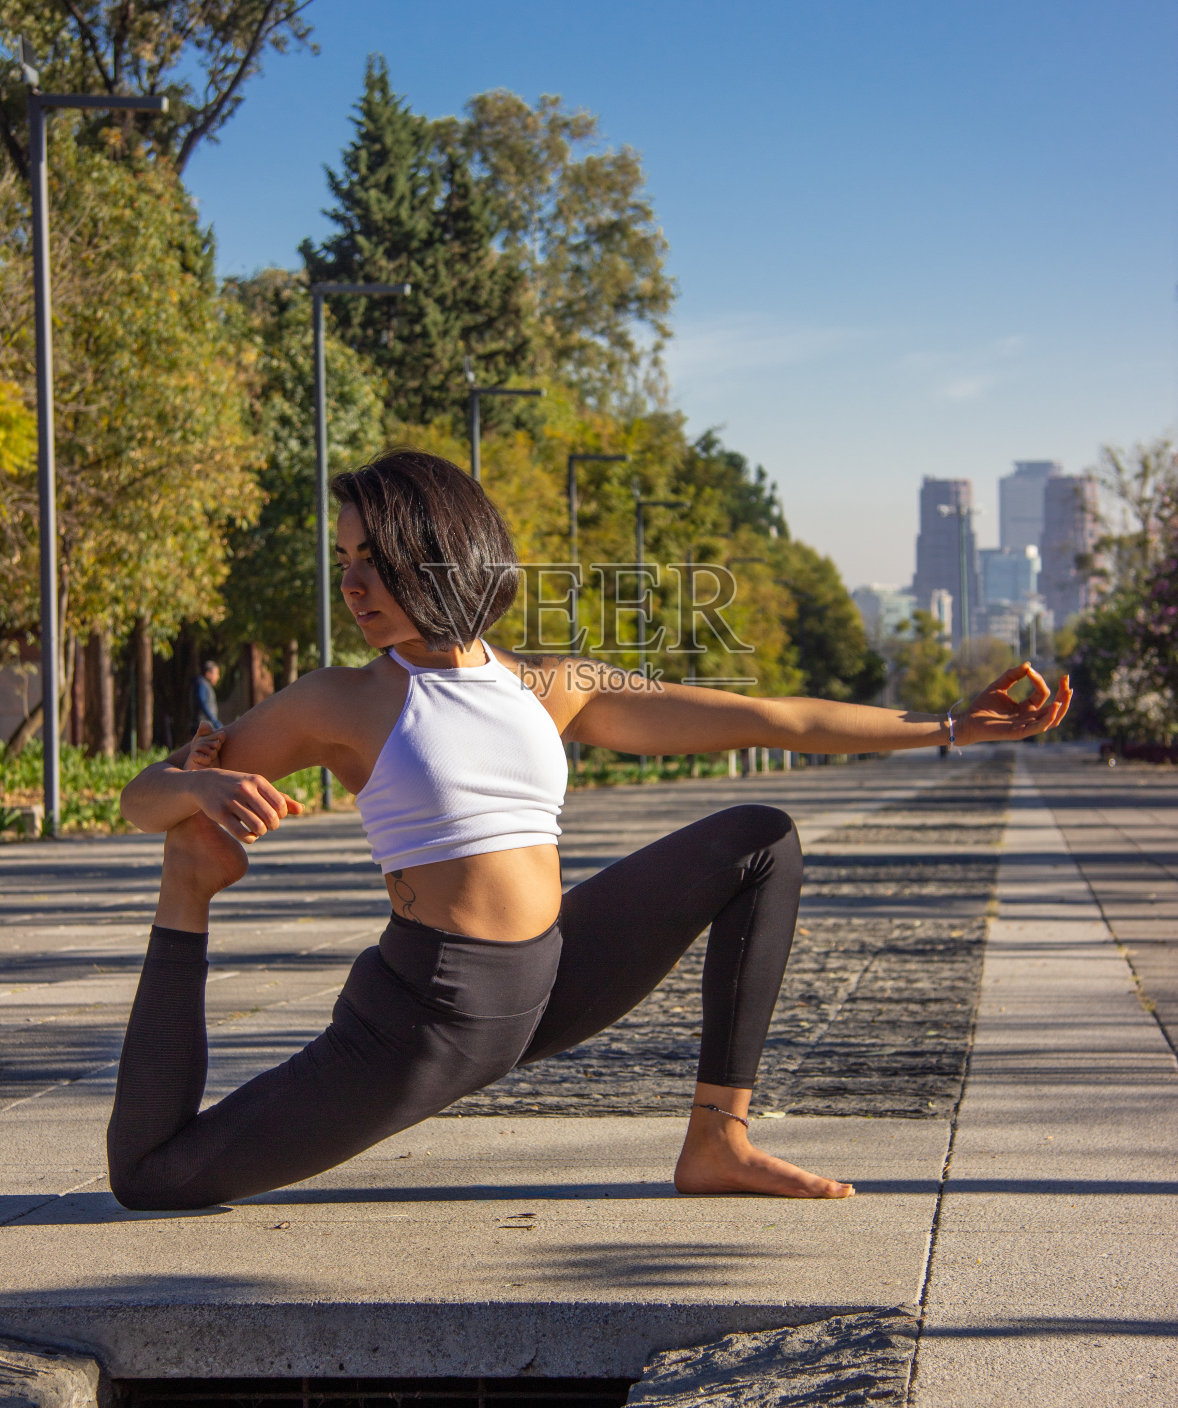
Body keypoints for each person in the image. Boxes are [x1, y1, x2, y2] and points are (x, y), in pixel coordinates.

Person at [111, 449, 1071, 1212]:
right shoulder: (343, 700)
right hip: (424, 1022)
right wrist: (201, 792)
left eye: (376, 560)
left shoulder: (549, 685)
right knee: (155, 1177)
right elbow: (145, 798)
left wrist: (949, 726)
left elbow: (770, 717)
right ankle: (186, 896)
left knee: (760, 838)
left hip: (553, 978)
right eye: (346, 562)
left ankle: (718, 1140)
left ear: (441, 555)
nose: (354, 584)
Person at [194, 660, 221, 730]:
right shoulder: (202, 684)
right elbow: (202, 702)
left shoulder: (206, 685)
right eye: (216, 674)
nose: (218, 677)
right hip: (204, 727)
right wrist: (214, 720)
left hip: (208, 726)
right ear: (208, 674)